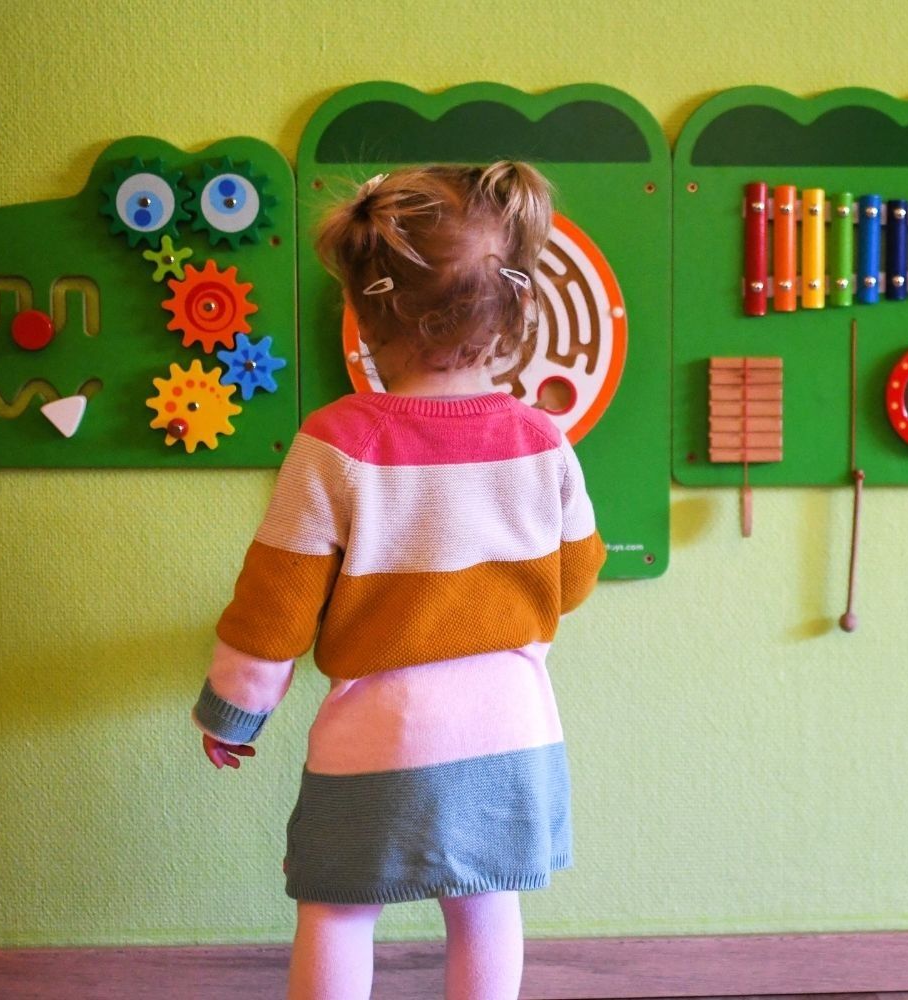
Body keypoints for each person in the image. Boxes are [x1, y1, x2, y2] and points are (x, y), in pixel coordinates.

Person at [190, 161, 604, 1000]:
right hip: (511, 728)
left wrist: (234, 712)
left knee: (338, 907)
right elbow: (574, 580)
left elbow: (275, 606)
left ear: (364, 313)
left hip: (382, 734)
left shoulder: (336, 442)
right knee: (487, 903)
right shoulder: (542, 440)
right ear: (516, 307)